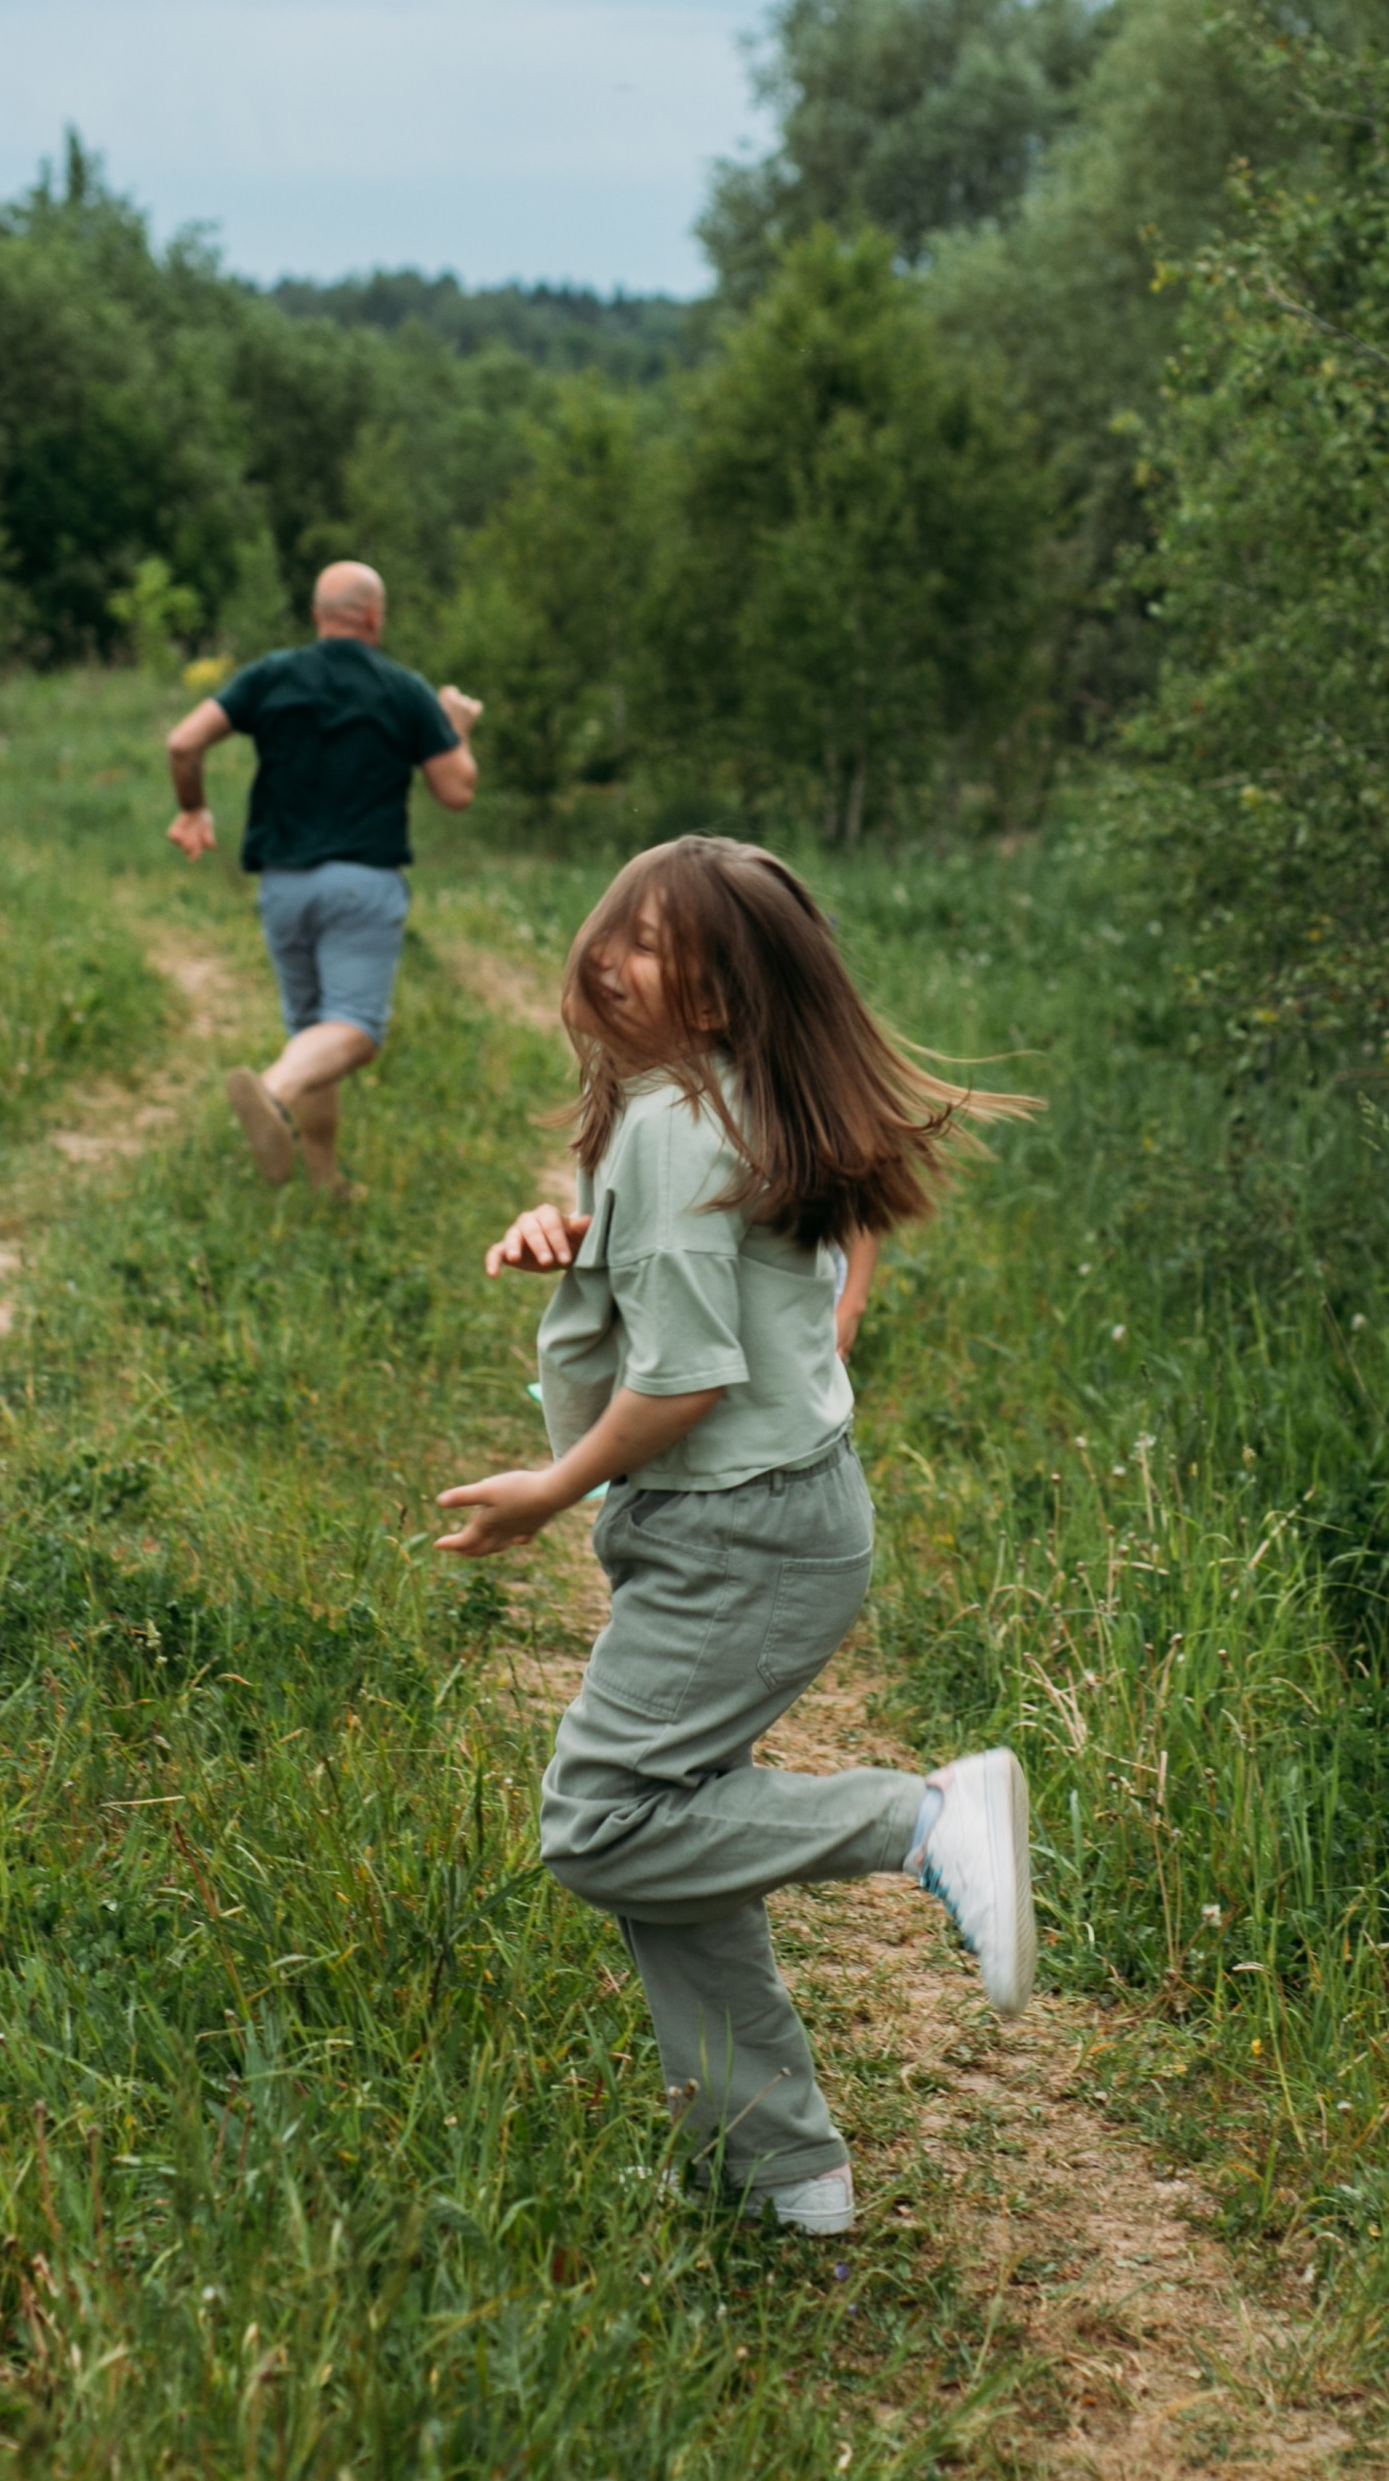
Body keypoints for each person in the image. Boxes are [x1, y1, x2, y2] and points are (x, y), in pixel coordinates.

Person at [436, 835, 1036, 2235]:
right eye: (616, 926)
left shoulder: (672, 1124)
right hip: (778, 1522)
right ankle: (782, 2177)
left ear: (716, 1001)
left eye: (655, 946)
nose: (609, 956)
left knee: (605, 1822)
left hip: (736, 1534)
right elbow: (772, 1285)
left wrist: (551, 1484)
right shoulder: (728, 1102)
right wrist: (585, 1243)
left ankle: (924, 1819)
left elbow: (686, 1380)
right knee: (679, 1835)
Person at [164, 561, 480, 1196]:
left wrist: (193, 808)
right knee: (355, 1031)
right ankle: (274, 1095)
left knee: (314, 1037)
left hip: (283, 886)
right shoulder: (402, 688)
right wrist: (457, 730)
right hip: (361, 884)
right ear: (373, 616)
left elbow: (183, 743)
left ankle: (324, 1181)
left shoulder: (273, 675)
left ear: (318, 616)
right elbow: (456, 791)